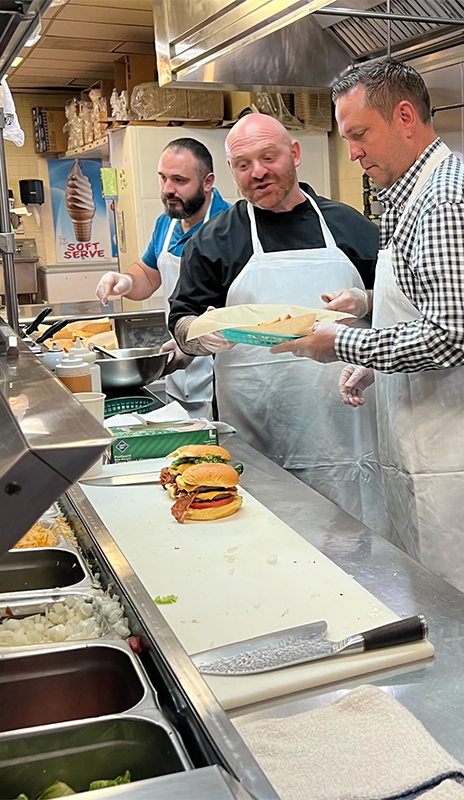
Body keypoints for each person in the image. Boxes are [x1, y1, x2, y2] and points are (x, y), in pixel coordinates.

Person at [271, 59, 464, 591]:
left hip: (450, 455)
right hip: (423, 441)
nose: (352, 152)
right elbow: (433, 302)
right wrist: (368, 310)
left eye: (359, 135)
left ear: (405, 117)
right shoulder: (408, 194)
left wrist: (343, 344)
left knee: (452, 605)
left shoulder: (441, 199)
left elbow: (450, 336)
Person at [169, 113, 385, 531]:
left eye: (269, 157)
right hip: (256, 431)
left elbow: (402, 305)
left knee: (360, 544)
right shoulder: (215, 239)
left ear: (295, 154)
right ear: (231, 171)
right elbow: (181, 322)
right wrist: (200, 335)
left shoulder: (351, 227)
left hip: (346, 430)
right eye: (244, 164)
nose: (259, 172)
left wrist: (367, 300)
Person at [96, 138, 230, 418]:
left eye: (179, 180)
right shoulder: (166, 224)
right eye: (163, 178)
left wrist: (195, 347)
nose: (168, 189)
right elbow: (148, 273)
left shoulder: (229, 226)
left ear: (208, 182)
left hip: (221, 374)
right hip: (177, 366)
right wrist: (126, 282)